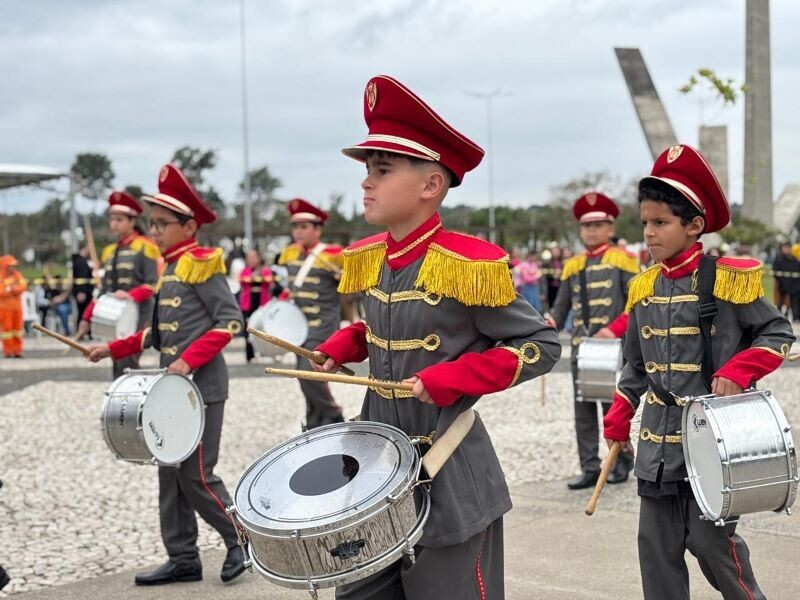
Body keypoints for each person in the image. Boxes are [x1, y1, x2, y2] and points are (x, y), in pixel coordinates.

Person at [313, 74, 561, 599]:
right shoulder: (368, 257)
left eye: (382, 170)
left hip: (444, 469)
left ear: (430, 186)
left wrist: (457, 375)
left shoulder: (467, 263)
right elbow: (397, 328)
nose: (366, 183)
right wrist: (351, 342)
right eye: (367, 171)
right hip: (373, 466)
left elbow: (540, 345)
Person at [603, 144, 794, 600]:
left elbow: (778, 332)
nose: (649, 234)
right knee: (656, 549)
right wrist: (618, 416)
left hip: (713, 441)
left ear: (693, 226)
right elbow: (634, 365)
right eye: (645, 223)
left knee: (712, 546)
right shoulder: (642, 287)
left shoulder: (726, 278)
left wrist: (740, 368)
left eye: (661, 223)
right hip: (656, 445)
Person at [87, 164, 246, 586]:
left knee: (196, 474)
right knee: (169, 477)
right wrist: (111, 347)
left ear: (189, 226)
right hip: (171, 391)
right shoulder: (171, 268)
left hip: (201, 389)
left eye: (162, 224)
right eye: (152, 224)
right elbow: (156, 334)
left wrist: (189, 361)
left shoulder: (201, 264)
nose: (153, 232)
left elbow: (230, 323)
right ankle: (183, 558)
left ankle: (240, 539)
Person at [548, 193, 640, 489]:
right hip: (581, 349)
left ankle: (621, 461)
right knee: (583, 410)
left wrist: (614, 329)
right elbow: (560, 308)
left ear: (611, 228)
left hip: (612, 348)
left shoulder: (623, 260)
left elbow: (636, 302)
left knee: (612, 409)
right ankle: (589, 466)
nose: (592, 231)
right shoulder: (573, 265)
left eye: (599, 225)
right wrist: (546, 324)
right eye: (587, 226)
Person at [277, 198, 346, 429]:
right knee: (305, 376)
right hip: (299, 326)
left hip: (323, 325)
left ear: (318, 229)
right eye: (295, 226)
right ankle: (315, 423)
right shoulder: (291, 255)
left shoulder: (333, 255)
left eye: (304, 226)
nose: (298, 232)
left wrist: (343, 279)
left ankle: (333, 413)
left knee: (308, 373)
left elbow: (353, 290)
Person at [78, 191, 160, 377]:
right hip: (114, 313)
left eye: (119, 219)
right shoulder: (110, 251)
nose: (114, 224)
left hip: (140, 312)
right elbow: (104, 290)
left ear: (132, 221)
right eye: (112, 219)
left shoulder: (146, 247)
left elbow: (152, 284)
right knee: (115, 355)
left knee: (127, 357)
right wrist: (87, 316)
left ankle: (130, 397)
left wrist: (131, 295)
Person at [238, 248, 273, 362]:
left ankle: (266, 353)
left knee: (265, 328)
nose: (251, 260)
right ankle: (250, 354)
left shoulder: (265, 270)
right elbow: (242, 280)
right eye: (249, 257)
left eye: (254, 257)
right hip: (248, 303)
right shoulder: (245, 271)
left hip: (262, 303)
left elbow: (269, 280)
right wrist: (254, 278)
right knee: (248, 328)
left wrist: (257, 278)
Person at [0, 255, 28, 358]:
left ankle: (17, 351)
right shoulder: (1, 276)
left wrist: (11, 289)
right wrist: (12, 290)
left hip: (17, 308)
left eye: (13, 265)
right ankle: (8, 351)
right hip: (4, 308)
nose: (12, 267)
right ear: (4, 265)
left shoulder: (17, 275)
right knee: (7, 331)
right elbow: (1, 291)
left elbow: (23, 286)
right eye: (10, 265)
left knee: (18, 330)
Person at [773, 241, 800, 322]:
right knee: (780, 302)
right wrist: (781, 281)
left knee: (794, 302)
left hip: (794, 285)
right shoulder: (779, 259)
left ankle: (796, 318)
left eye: (788, 248)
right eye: (785, 248)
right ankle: (778, 318)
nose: (787, 249)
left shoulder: (794, 259)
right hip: (782, 285)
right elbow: (776, 271)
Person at [70, 245, 95, 327]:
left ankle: (82, 332)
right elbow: (82, 277)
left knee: (82, 312)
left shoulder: (78, 261)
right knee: (84, 313)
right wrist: (82, 291)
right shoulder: (81, 262)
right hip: (83, 291)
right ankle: (82, 331)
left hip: (82, 291)